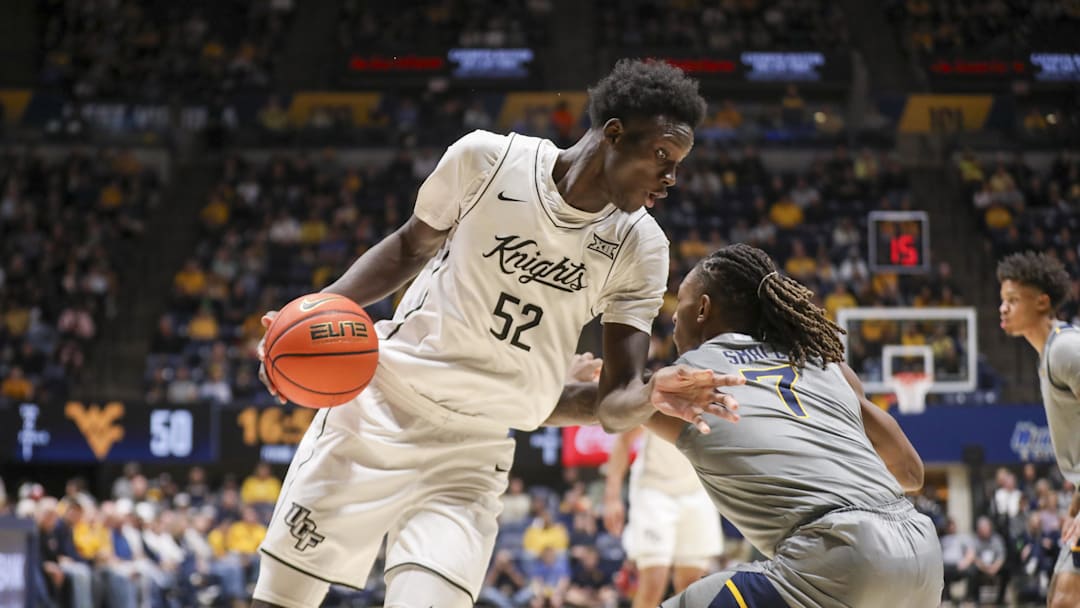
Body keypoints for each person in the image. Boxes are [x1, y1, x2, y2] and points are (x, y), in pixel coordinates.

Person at [251, 59, 742, 608]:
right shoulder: (486, 158)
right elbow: (409, 246)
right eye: (661, 157)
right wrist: (317, 308)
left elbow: (614, 402)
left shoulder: (641, 246)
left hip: (473, 453)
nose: (670, 178)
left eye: (677, 165)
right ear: (613, 134)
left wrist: (651, 391)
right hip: (381, 412)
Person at [560, 244, 944, 607]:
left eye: (682, 302)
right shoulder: (822, 361)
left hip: (838, 556)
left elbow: (593, 408)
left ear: (703, 309)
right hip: (923, 557)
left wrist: (572, 380)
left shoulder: (693, 378)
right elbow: (910, 473)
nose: (673, 317)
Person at [998, 251, 1080, 608]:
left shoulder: (1065, 349)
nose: (1003, 308)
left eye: (1013, 300)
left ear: (1042, 301)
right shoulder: (1047, 356)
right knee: (1061, 598)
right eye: (1003, 301)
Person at [603, 425, 720, 608]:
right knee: (653, 584)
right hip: (654, 489)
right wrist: (612, 497)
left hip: (698, 489)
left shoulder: (721, 399)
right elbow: (624, 440)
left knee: (692, 587)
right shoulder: (654, 397)